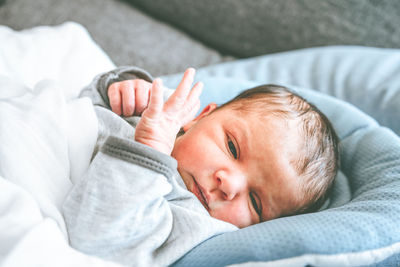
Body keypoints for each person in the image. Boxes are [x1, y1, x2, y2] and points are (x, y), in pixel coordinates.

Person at [62, 66, 339, 267]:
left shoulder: (193, 222)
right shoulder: (165, 115)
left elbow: (94, 239)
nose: (229, 185)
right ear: (199, 117)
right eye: (232, 147)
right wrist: (124, 88)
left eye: (255, 202)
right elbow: (85, 102)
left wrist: (147, 152)